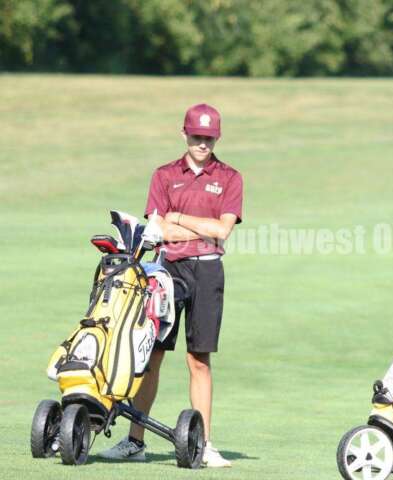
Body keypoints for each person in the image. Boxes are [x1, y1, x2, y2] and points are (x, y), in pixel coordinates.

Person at [99, 103, 243, 468]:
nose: (202, 144)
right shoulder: (164, 175)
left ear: (217, 138)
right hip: (167, 272)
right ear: (184, 134)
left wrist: (177, 218)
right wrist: (196, 227)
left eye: (209, 138)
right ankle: (135, 442)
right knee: (151, 355)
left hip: (209, 272)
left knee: (199, 359)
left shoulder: (229, 177)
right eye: (197, 136)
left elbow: (222, 230)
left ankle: (205, 444)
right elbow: (156, 229)